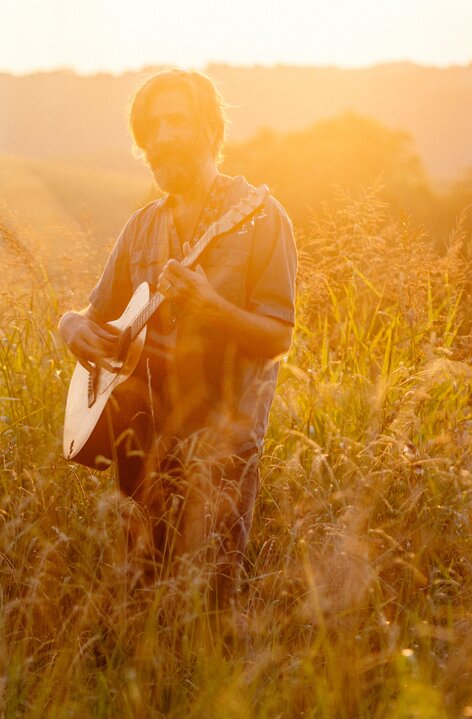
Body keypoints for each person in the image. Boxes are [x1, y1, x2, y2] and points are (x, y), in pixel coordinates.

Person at [58, 70, 296, 600]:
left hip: (223, 455)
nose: (162, 137)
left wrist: (211, 306)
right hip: (140, 450)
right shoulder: (141, 226)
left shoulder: (258, 218)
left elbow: (278, 337)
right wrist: (70, 325)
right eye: (152, 128)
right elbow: (95, 316)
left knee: (210, 611)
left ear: (211, 129)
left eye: (177, 122)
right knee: (141, 606)